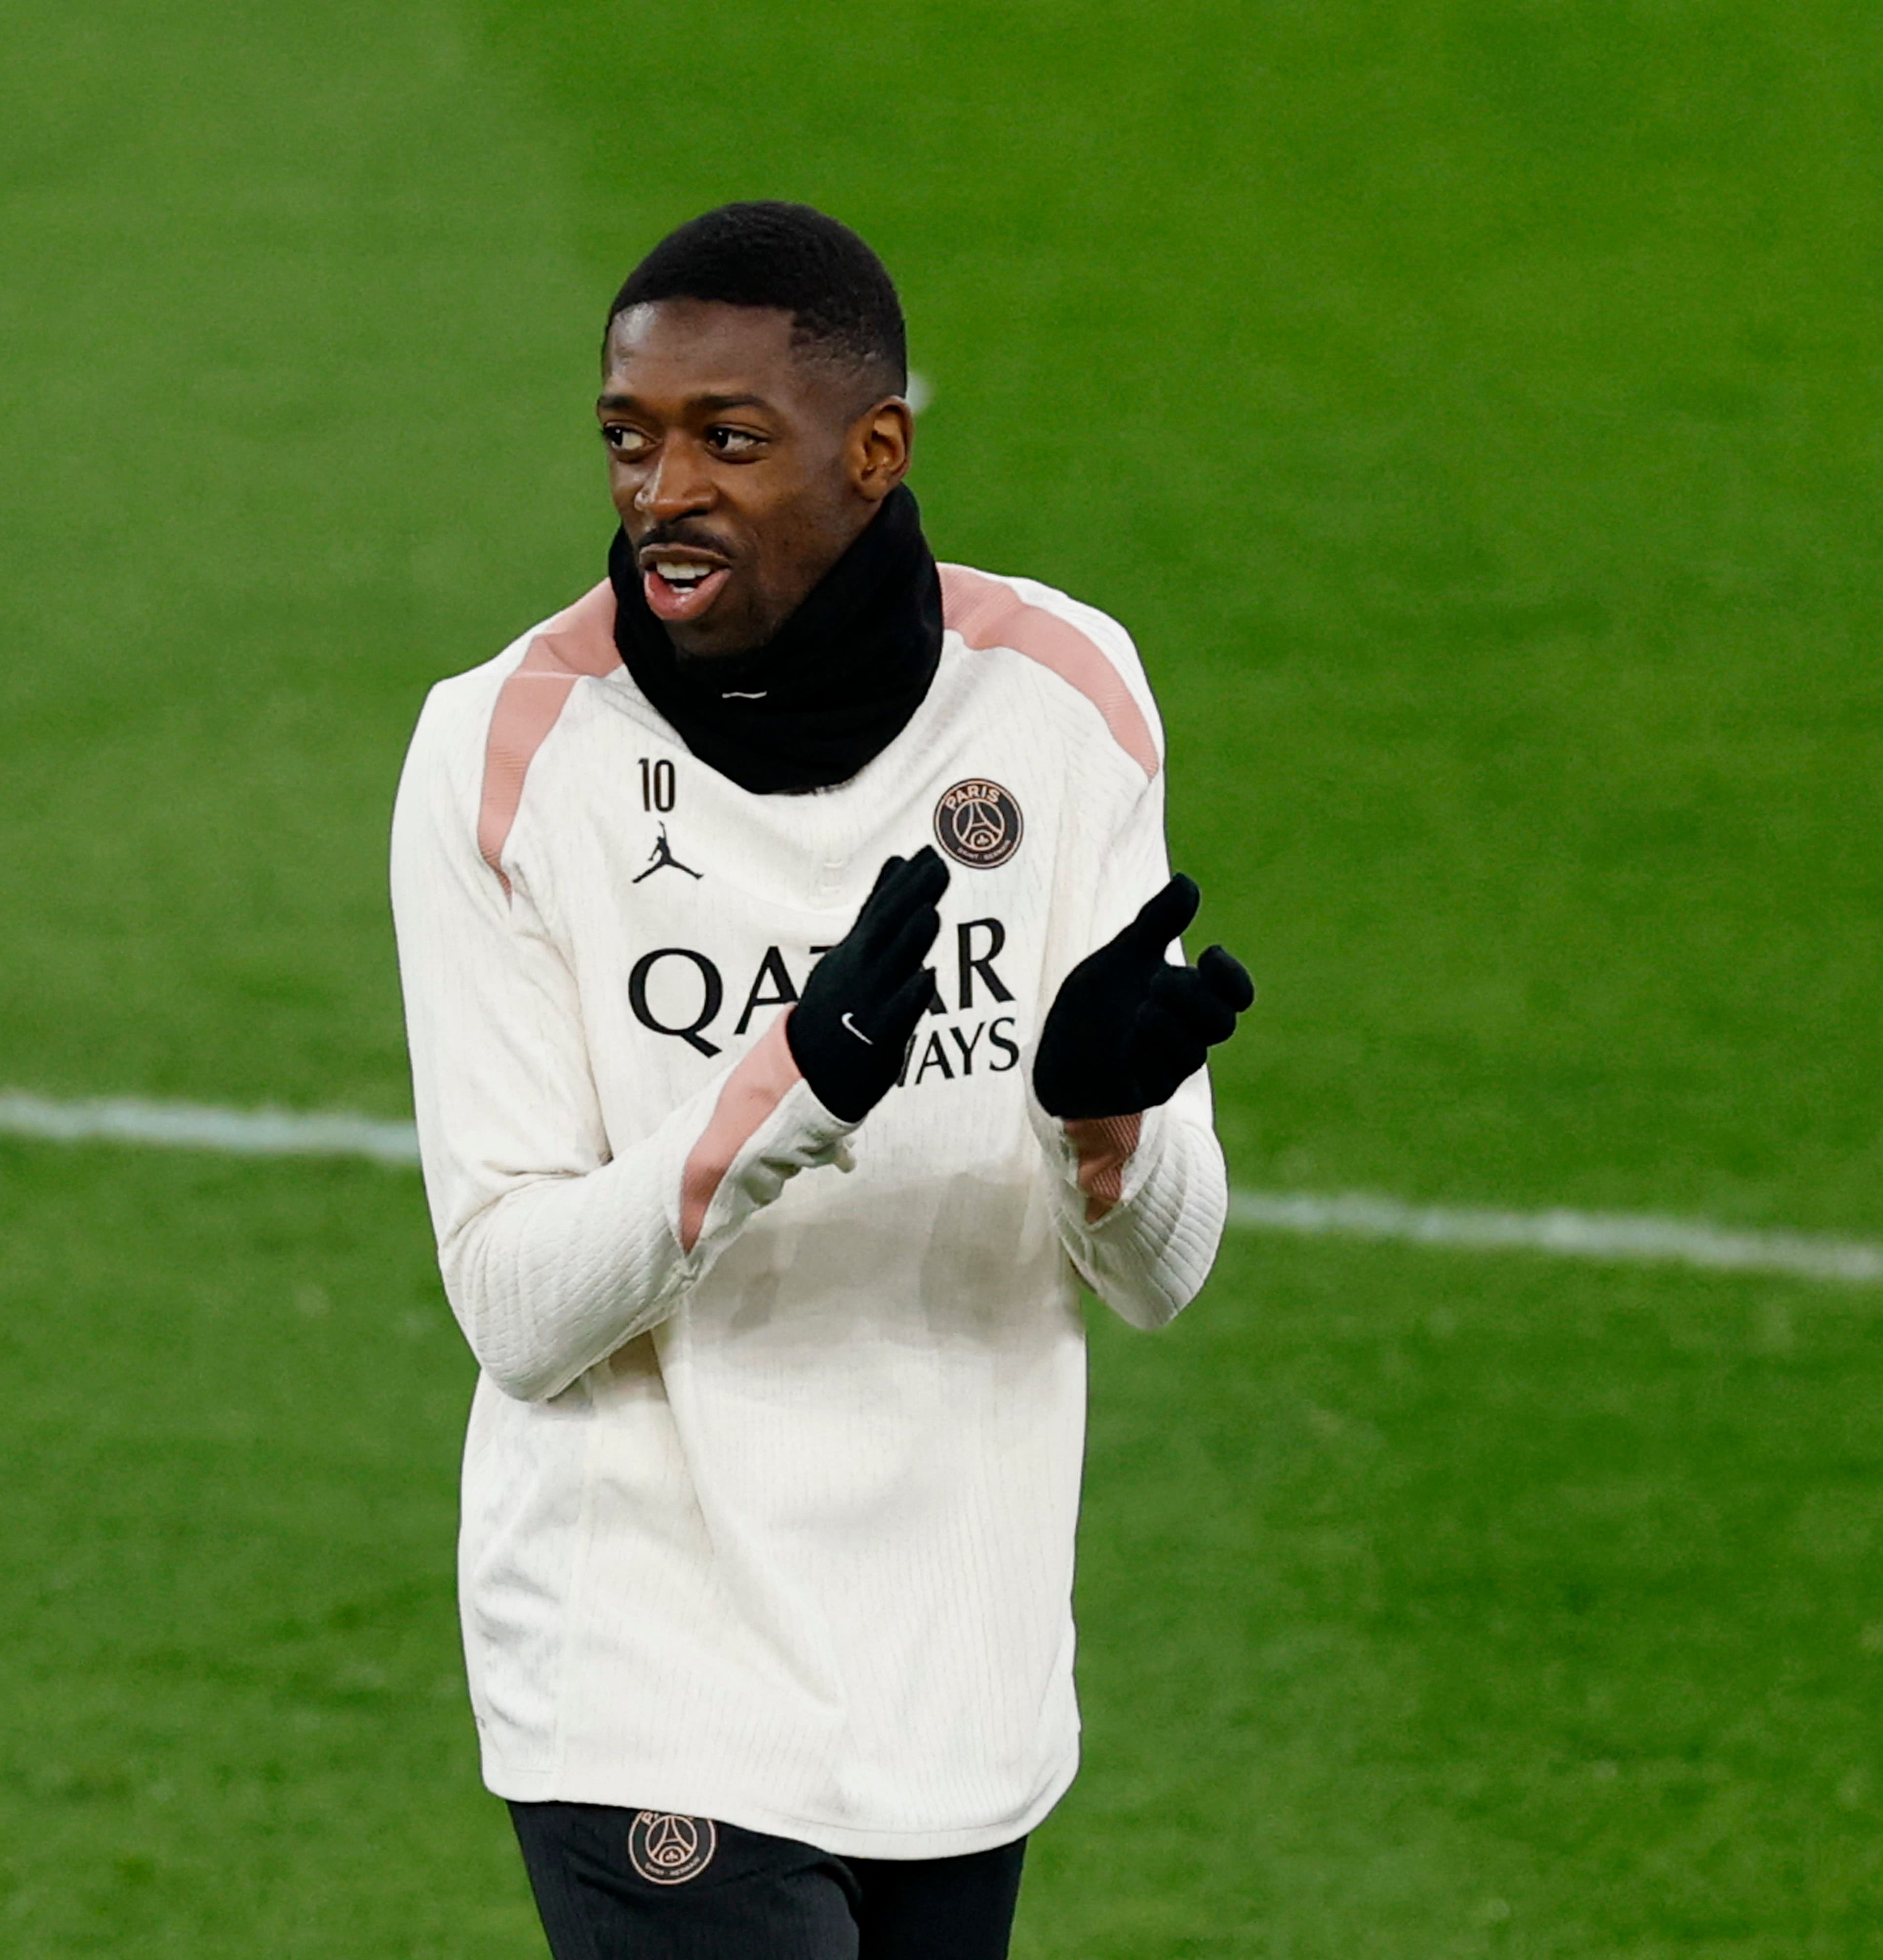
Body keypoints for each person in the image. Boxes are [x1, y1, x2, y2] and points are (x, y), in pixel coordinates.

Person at [388, 201, 1255, 1960]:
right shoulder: (504, 750)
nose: (662, 491)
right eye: (630, 439)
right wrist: (785, 1097)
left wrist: (1110, 1123)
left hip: (962, 1687)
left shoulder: (1063, 701)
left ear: (877, 453)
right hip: (648, 1671)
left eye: (729, 440)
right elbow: (513, 1305)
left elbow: (1162, 1272)